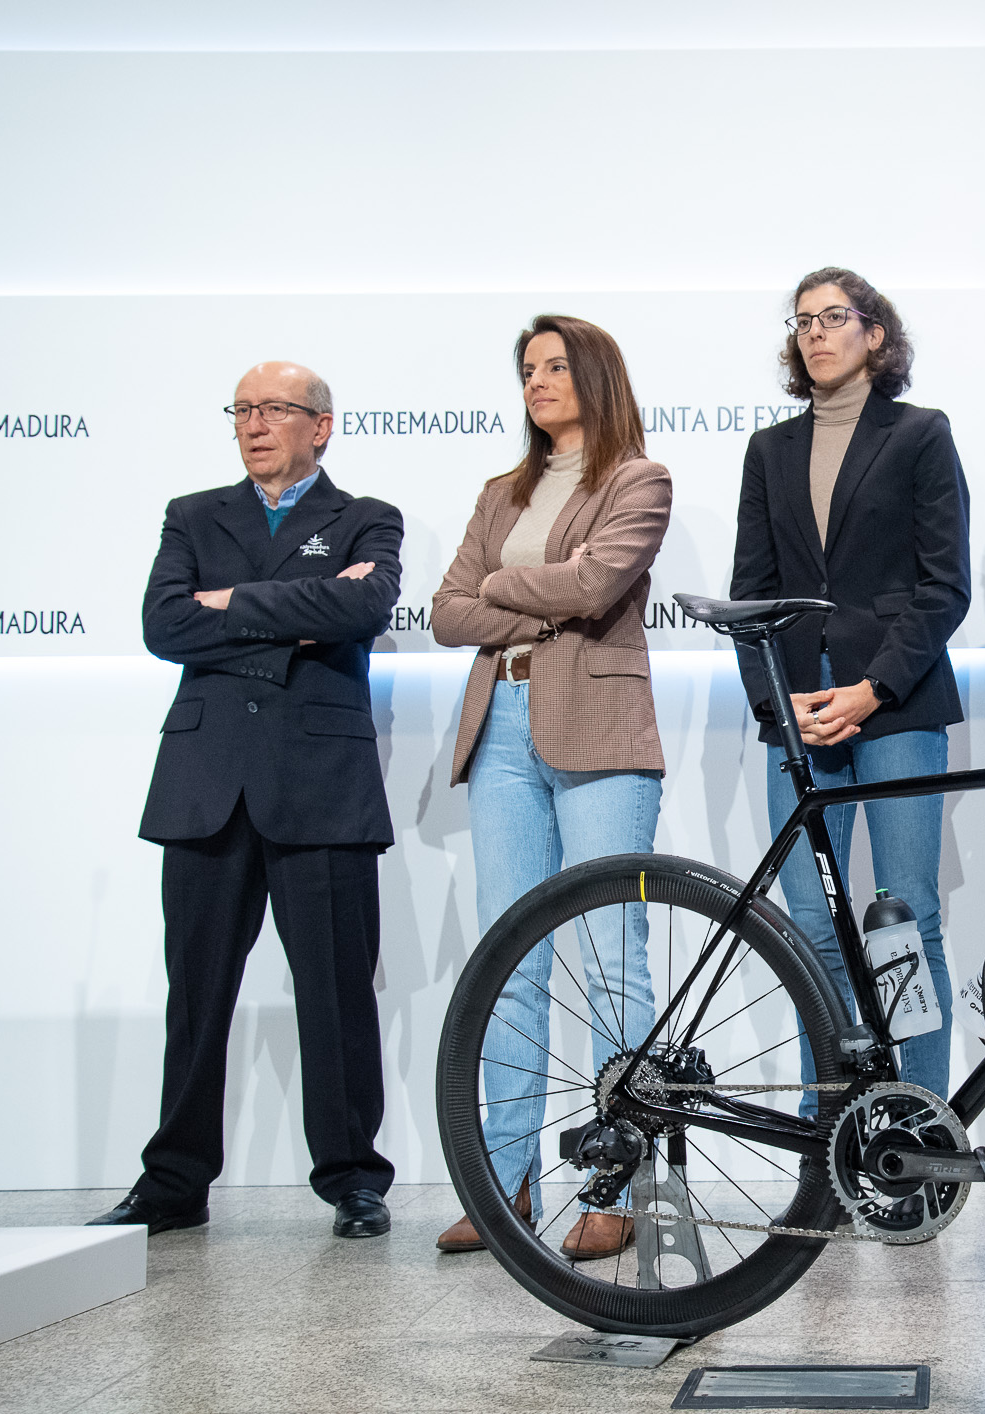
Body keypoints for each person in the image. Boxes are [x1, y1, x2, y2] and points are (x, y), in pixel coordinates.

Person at [93, 361, 402, 1239]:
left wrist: (229, 603)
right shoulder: (193, 514)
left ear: (321, 426)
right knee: (194, 995)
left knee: (336, 991)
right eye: (242, 410)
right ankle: (174, 1182)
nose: (254, 423)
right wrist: (296, 610)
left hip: (320, 784)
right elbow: (165, 626)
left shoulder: (367, 518)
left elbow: (361, 609)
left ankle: (352, 1177)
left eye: (273, 409)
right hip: (206, 782)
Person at [430, 315, 672, 1260]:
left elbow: (597, 584)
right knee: (511, 965)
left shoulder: (638, 480)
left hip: (600, 729)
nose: (535, 381)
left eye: (554, 366)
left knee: (614, 963)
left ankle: (619, 1185)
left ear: (596, 376)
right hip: (500, 732)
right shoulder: (502, 490)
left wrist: (503, 586)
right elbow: (449, 613)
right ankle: (507, 1185)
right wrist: (526, 587)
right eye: (526, 369)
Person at [730, 267, 971, 1123]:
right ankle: (829, 1134)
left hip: (896, 702)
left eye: (835, 317)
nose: (817, 333)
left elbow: (945, 588)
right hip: (799, 713)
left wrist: (871, 689)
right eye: (802, 322)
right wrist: (775, 702)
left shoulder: (919, 434)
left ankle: (922, 1132)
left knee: (905, 920)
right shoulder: (769, 450)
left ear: (875, 332)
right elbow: (748, 594)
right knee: (809, 931)